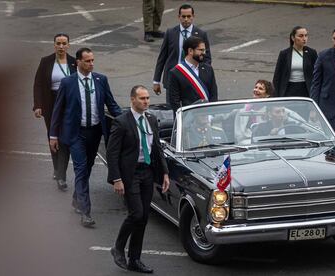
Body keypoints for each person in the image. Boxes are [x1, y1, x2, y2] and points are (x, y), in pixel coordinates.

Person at [49, 47, 121, 227]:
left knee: (88, 167)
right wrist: (53, 135)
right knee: (81, 169)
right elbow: (57, 110)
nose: (91, 64)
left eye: (92, 60)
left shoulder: (101, 80)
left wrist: (128, 121)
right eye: (87, 61)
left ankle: (76, 199)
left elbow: (111, 104)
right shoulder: (68, 83)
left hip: (95, 132)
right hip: (75, 134)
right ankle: (85, 212)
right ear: (78, 63)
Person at [107, 85, 169, 273]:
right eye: (142, 98)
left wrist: (165, 173)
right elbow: (112, 152)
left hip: (147, 172)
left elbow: (157, 147)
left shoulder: (151, 119)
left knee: (143, 218)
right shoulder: (121, 122)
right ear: (132, 100)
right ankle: (118, 247)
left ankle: (135, 259)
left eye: (148, 98)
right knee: (136, 214)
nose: (146, 102)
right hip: (130, 174)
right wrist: (117, 179)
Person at [33, 34, 76, 191]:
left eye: (64, 43)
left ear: (68, 45)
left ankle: (61, 170)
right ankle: (56, 167)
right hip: (51, 102)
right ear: (54, 45)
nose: (61, 46)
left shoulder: (73, 62)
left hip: (68, 103)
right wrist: (38, 105)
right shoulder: (46, 61)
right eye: (58, 43)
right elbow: (38, 84)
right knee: (53, 135)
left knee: (65, 138)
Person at [153, 3, 211, 104]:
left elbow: (207, 59)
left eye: (189, 16)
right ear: (179, 17)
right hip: (173, 77)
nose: (186, 19)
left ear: (193, 17)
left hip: (192, 78)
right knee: (173, 110)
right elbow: (162, 57)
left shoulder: (201, 34)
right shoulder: (170, 33)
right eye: (183, 16)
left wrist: (202, 76)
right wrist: (156, 81)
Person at [168, 36, 217, 113]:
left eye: (204, 50)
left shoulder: (208, 69)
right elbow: (174, 101)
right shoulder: (176, 72)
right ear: (190, 51)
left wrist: (212, 114)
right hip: (189, 119)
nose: (203, 53)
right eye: (200, 50)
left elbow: (213, 94)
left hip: (207, 117)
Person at [273, 26, 318, 97]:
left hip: (306, 89)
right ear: (293, 38)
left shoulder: (311, 53)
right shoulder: (284, 53)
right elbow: (277, 76)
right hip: (289, 89)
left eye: (306, 36)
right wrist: (276, 96)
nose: (304, 39)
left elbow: (317, 74)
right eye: (300, 36)